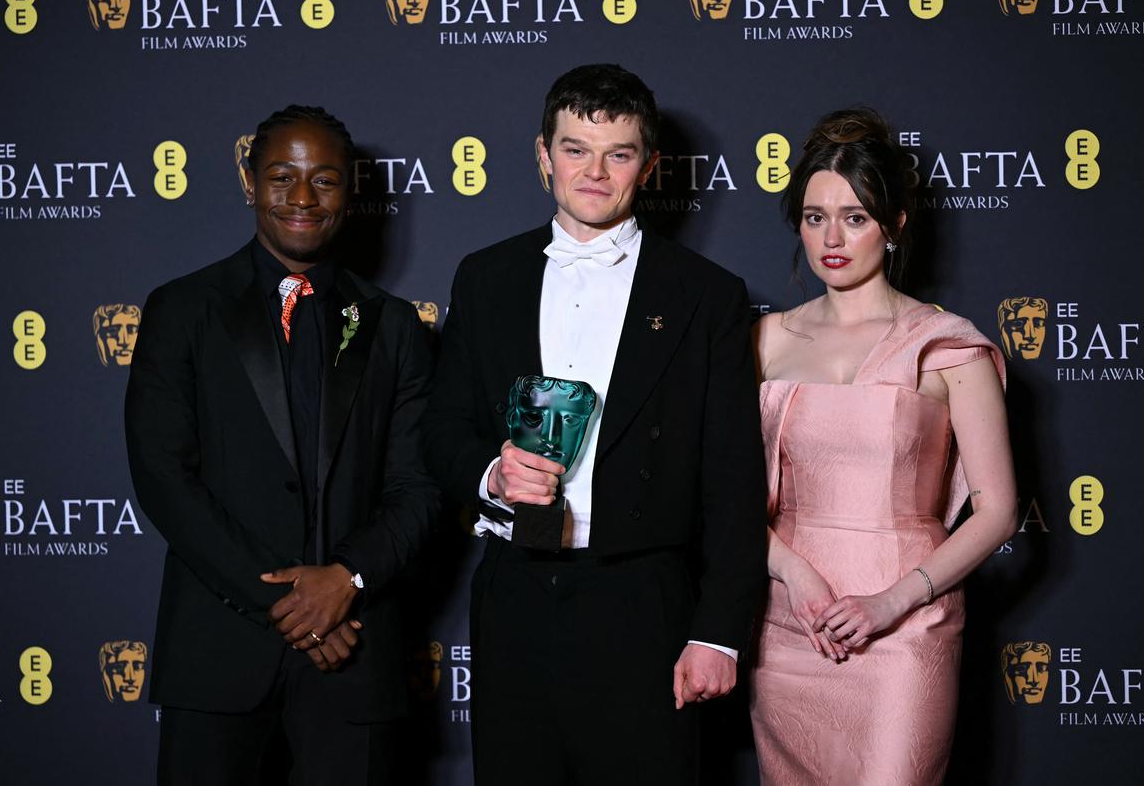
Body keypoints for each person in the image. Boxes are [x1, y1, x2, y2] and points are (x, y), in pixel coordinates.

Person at [422, 63, 765, 785]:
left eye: (619, 152)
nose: (595, 172)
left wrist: (718, 632)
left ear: (651, 166)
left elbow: (735, 479)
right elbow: (443, 427)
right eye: (575, 149)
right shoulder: (484, 277)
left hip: (644, 605)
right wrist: (492, 471)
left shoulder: (707, 296)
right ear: (543, 155)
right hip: (515, 598)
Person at [125, 105, 439, 785]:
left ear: (350, 192)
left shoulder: (393, 327)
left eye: (324, 179)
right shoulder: (183, 310)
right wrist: (296, 608)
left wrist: (344, 580)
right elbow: (163, 477)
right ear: (249, 182)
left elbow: (418, 486)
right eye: (282, 177)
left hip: (355, 659)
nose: (301, 197)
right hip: (218, 653)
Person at [750, 108, 1017, 785]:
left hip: (906, 630)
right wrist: (793, 572)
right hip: (790, 627)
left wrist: (891, 603)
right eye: (814, 217)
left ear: (895, 225)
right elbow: (721, 494)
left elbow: (997, 511)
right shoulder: (764, 341)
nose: (831, 238)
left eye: (856, 217)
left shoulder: (948, 343)